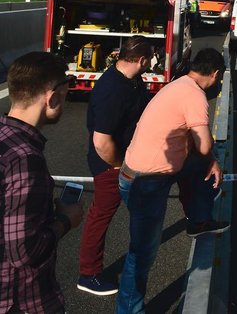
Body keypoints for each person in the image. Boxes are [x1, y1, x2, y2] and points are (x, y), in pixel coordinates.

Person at [0, 51, 83, 314]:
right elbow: (25, 252)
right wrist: (67, 219)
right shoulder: (25, 158)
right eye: (66, 95)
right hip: (15, 302)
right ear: (52, 97)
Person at [115, 48, 229, 314]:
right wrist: (213, 159)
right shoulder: (194, 95)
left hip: (144, 174)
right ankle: (128, 311)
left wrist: (207, 159)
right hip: (146, 182)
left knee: (198, 167)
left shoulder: (179, 84)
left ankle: (198, 220)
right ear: (215, 74)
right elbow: (203, 144)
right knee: (142, 254)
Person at [77, 36, 154, 297]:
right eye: (150, 59)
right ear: (141, 60)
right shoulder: (113, 89)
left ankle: (141, 252)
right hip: (110, 165)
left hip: (126, 160)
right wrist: (119, 167)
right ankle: (88, 274)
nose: (152, 63)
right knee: (100, 216)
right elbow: (101, 141)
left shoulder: (133, 81)